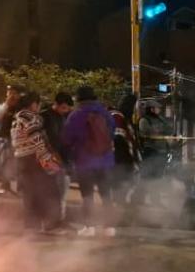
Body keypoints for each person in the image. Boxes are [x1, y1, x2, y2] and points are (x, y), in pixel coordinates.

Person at [64, 86, 117, 237]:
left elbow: (67, 138)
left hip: (85, 161)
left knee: (87, 195)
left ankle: (90, 226)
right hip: (106, 161)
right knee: (106, 194)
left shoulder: (76, 115)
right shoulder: (105, 113)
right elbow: (112, 133)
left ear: (78, 99)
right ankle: (109, 228)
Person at [10, 91, 63, 232]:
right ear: (34, 104)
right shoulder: (29, 117)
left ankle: (32, 226)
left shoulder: (17, 118)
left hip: (22, 159)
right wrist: (46, 158)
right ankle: (51, 223)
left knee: (30, 193)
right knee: (50, 191)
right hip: (33, 158)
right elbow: (36, 138)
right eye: (38, 104)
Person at [42, 92, 73, 223]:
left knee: (59, 192)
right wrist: (61, 161)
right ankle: (53, 221)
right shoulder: (47, 117)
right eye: (64, 108)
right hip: (52, 160)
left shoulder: (60, 117)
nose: (65, 111)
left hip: (58, 159)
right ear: (57, 105)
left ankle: (56, 220)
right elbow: (53, 141)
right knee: (56, 192)